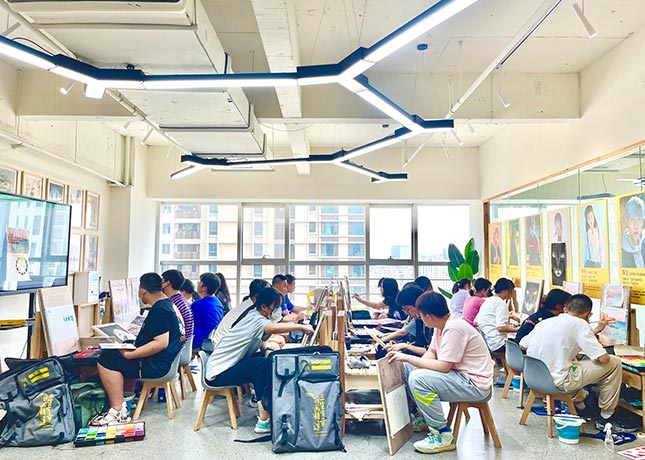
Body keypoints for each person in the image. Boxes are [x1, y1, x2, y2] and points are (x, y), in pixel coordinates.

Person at [389, 292, 493, 454]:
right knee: (409, 370)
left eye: (421, 315)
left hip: (475, 385)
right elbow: (431, 352)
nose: (420, 318)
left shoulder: (454, 328)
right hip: (461, 377)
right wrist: (415, 366)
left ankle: (442, 435)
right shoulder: (442, 326)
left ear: (429, 316)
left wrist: (408, 358)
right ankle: (426, 417)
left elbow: (444, 366)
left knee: (417, 378)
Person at [519, 294, 635, 433]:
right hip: (558, 382)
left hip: (533, 379)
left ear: (566, 308)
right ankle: (606, 418)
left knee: (572, 362)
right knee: (614, 363)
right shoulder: (580, 324)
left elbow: (522, 345)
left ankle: (581, 407)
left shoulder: (546, 322)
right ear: (589, 314)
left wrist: (596, 331)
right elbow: (604, 359)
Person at [205, 287, 314, 434]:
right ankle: (264, 419)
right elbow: (273, 329)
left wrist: (267, 349)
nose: (278, 310)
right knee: (260, 366)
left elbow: (258, 339)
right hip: (218, 374)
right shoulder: (257, 319)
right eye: (275, 307)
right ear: (263, 306)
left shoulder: (254, 315)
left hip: (225, 367)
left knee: (263, 361)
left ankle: (267, 407)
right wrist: (301, 326)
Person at [94, 273, 183, 425]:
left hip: (157, 366)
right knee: (119, 357)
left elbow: (161, 343)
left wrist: (132, 354)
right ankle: (127, 401)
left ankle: (117, 409)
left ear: (142, 290)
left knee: (106, 360)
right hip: (167, 361)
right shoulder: (169, 304)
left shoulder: (159, 310)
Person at [377, 285, 432, 358]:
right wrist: (399, 345)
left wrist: (405, 347)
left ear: (418, 304)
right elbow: (420, 344)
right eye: (405, 310)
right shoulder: (418, 320)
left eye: (408, 309)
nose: (407, 313)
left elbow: (431, 352)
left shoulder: (431, 323)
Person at [474, 278, 520, 354]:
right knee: (523, 346)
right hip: (499, 345)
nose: (512, 294)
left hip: (489, 343)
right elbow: (501, 327)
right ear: (505, 290)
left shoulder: (487, 301)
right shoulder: (500, 303)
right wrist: (518, 329)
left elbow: (476, 322)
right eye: (511, 291)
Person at [191, 273, 224, 349]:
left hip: (197, 343)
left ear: (204, 288)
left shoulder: (198, 304)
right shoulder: (218, 303)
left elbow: (187, 323)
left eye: (199, 282)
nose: (198, 284)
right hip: (210, 342)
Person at [162, 269, 194, 341]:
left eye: (162, 280)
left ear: (167, 283)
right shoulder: (180, 299)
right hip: (184, 342)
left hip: (178, 343)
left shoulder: (173, 303)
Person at [621, 195, 645, 269]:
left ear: (643, 222)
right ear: (627, 221)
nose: (636, 226)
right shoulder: (621, 251)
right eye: (632, 220)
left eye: (639, 219)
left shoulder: (643, 244)